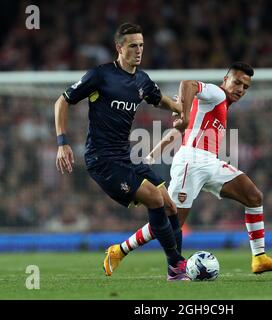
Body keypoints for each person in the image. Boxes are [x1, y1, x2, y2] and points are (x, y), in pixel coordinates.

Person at [107, 62, 272, 275]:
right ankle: (120, 250)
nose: (240, 89)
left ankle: (259, 258)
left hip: (210, 162)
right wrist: (183, 116)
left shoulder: (211, 106)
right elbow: (188, 84)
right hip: (191, 162)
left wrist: (151, 155)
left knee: (253, 196)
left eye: (245, 87)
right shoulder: (217, 94)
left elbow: (179, 133)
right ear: (226, 80)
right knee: (171, 222)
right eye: (237, 82)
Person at [54, 22, 189, 281]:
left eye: (141, 45)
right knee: (155, 199)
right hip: (101, 160)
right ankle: (175, 265)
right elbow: (62, 100)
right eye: (132, 46)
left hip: (125, 157)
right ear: (119, 47)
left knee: (171, 205)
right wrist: (62, 142)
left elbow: (157, 98)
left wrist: (179, 109)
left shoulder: (141, 80)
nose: (138, 50)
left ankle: (176, 267)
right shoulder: (100, 75)